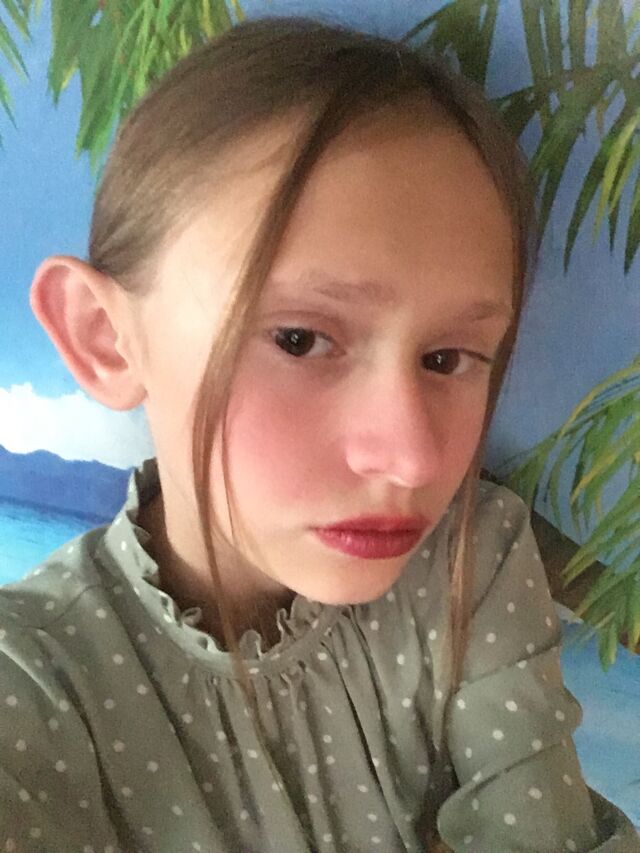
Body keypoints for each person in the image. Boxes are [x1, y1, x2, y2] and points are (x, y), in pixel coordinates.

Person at [1, 14, 638, 853]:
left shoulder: (469, 558)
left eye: (447, 358)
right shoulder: (33, 676)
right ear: (105, 338)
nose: (411, 457)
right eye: (300, 340)